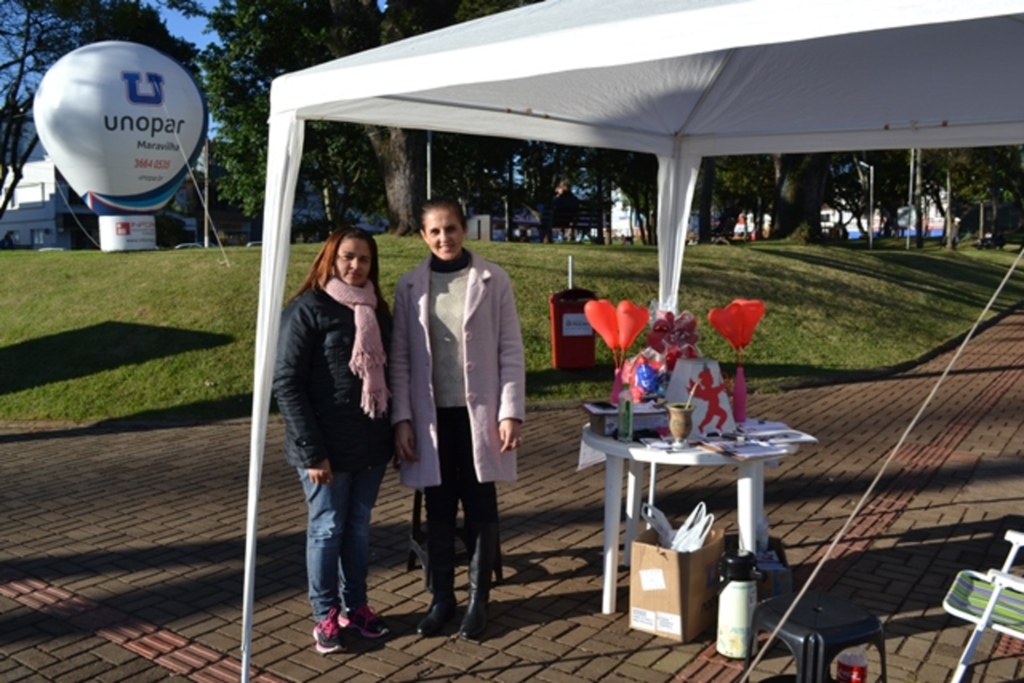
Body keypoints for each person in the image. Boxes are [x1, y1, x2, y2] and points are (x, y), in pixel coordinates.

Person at [391, 197, 526, 641]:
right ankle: (442, 598)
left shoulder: (492, 279)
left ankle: (478, 601)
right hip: (432, 419)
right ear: (423, 236)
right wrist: (403, 420)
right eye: (434, 231)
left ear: (464, 229)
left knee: (481, 507)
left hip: (479, 417)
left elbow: (510, 350)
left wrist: (510, 412)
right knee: (440, 508)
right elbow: (401, 361)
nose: (444, 238)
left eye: (450, 228)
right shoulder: (410, 286)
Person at [273, 227, 394, 654]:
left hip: (370, 445)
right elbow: (286, 383)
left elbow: (391, 375)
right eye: (347, 257)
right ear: (330, 258)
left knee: (357, 529)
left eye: (363, 259)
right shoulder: (307, 309)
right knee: (326, 529)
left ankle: (355, 607)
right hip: (323, 448)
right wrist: (312, 452)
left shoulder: (378, 310)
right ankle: (324, 614)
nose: (355, 266)